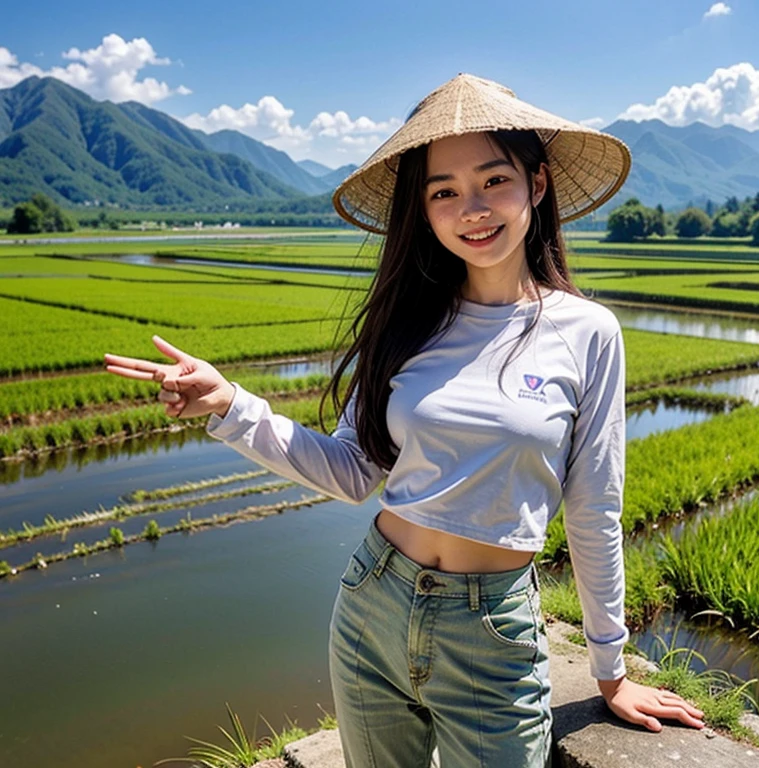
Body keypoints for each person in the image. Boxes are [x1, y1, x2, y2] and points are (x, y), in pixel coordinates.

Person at [105, 73, 705, 767]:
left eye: (493, 180)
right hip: (373, 604)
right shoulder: (408, 323)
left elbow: (594, 508)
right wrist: (230, 405)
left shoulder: (587, 332)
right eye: (444, 191)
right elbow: (352, 471)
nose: (472, 209)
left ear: (536, 185)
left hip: (495, 626)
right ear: (423, 210)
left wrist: (611, 667)